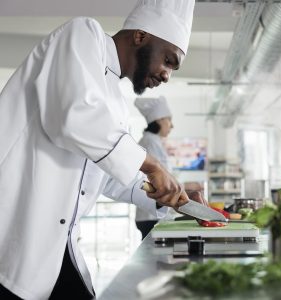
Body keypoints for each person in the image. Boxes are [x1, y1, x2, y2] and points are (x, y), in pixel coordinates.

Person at [0, 0, 196, 299]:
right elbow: (74, 117)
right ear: (140, 36)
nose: (167, 75)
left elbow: (109, 178)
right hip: (13, 235)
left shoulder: (115, 102)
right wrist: (153, 166)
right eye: (168, 60)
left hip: (53, 247)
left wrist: (172, 198)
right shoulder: (82, 33)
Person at [134, 96, 175, 238]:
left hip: (153, 212)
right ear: (158, 120)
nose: (172, 125)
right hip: (150, 214)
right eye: (169, 119)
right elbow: (150, 179)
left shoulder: (154, 142)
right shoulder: (149, 142)